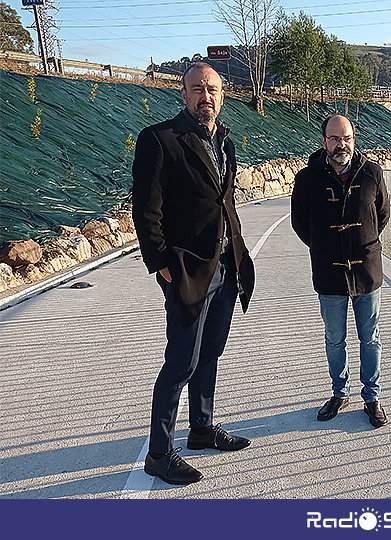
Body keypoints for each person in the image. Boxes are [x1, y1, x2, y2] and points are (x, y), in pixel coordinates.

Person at [132, 62, 255, 485]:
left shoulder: (225, 141)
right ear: (183, 94)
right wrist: (162, 265)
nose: (207, 96)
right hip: (187, 270)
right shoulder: (160, 140)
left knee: (210, 354)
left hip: (225, 265)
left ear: (223, 96)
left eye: (214, 89)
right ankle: (159, 452)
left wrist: (238, 255)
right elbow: (147, 212)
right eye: (198, 88)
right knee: (180, 361)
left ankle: (201, 429)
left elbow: (225, 204)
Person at [291, 114, 391, 428]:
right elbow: (299, 223)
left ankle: (372, 397)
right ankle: (340, 391)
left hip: (367, 272)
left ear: (353, 139)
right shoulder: (308, 179)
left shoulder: (372, 172)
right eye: (334, 138)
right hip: (329, 273)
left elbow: (382, 215)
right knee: (335, 339)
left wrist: (361, 244)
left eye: (346, 138)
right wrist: (325, 248)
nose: (341, 144)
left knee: (370, 337)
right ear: (323, 142)